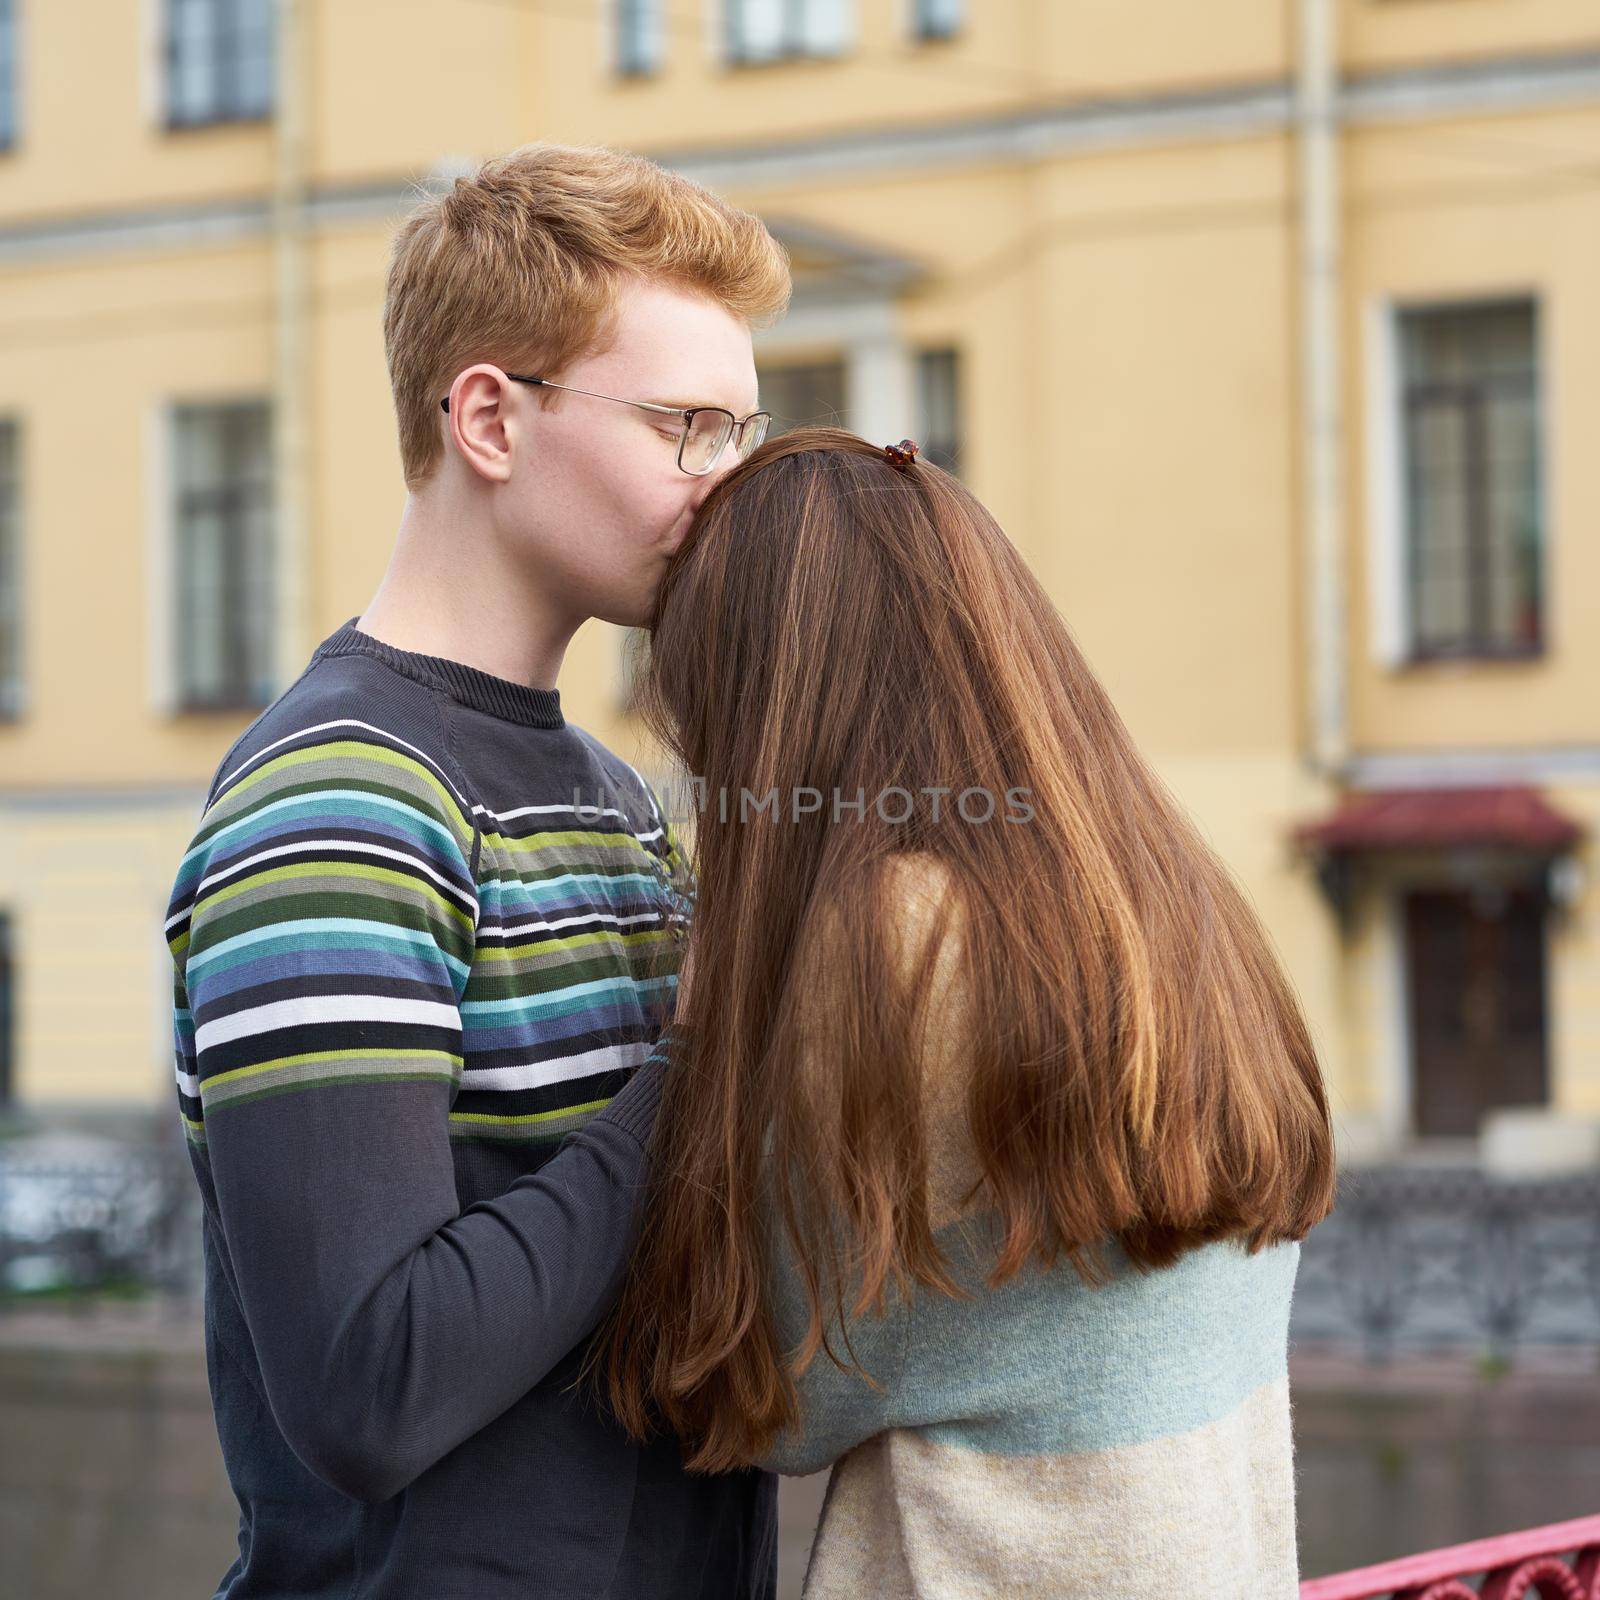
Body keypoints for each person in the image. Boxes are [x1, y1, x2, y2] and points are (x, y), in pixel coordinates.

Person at [161, 142, 789, 1599]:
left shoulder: (617, 800)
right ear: (492, 419)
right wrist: (705, 1056)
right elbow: (367, 1384)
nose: (731, 483)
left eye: (744, 433)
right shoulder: (336, 804)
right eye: (688, 425)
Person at [588, 427, 1339, 1596]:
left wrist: (684, 1053)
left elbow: (779, 1391)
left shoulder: (898, 939)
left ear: (768, 704)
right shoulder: (1157, 881)